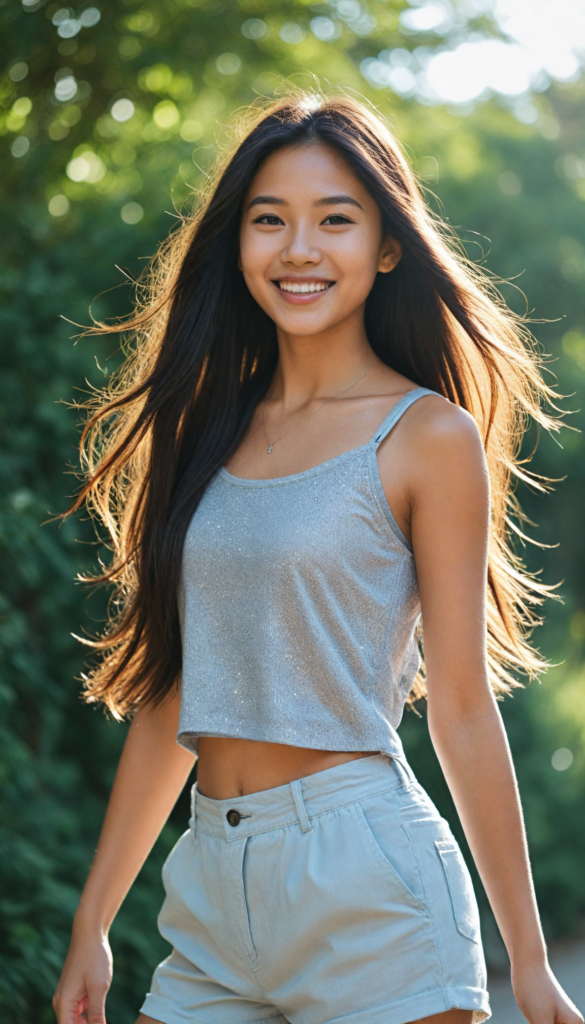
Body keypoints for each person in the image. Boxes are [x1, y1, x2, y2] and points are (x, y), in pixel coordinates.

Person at [53, 94, 583, 1024]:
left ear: (387, 247)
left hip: (367, 882)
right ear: (237, 242)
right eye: (269, 220)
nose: (299, 249)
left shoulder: (426, 437)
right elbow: (174, 692)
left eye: (335, 220)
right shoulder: (201, 428)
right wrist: (92, 921)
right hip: (210, 890)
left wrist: (530, 962)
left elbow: (461, 706)